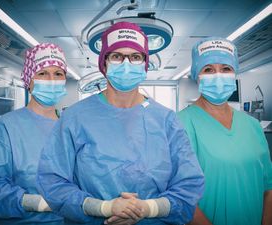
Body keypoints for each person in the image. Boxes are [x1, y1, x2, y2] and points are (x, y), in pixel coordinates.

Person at [36, 21, 204, 225]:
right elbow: (53, 182)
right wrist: (103, 208)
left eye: (135, 57)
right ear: (104, 64)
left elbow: (188, 186)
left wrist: (147, 208)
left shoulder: (166, 120)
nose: (126, 64)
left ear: (144, 64)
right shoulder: (75, 117)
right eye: (117, 56)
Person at [178, 37, 272, 225]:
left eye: (226, 69)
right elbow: (180, 197)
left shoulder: (253, 126)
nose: (218, 76)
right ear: (197, 75)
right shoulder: (180, 123)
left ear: (234, 73)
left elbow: (268, 187)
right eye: (209, 70)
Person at [0, 43, 68, 225]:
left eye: (58, 74)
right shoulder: (6, 128)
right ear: (28, 80)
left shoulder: (71, 127)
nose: (52, 80)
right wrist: (38, 203)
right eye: (42, 73)